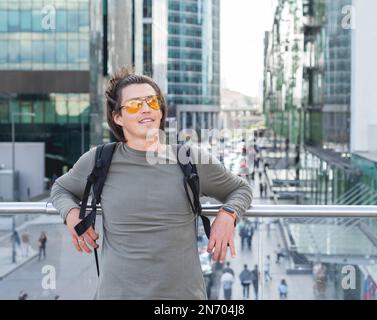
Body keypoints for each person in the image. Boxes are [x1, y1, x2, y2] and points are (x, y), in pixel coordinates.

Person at [50, 66, 253, 300]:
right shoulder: (98, 161)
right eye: (135, 104)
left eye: (152, 102)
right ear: (117, 117)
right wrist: (72, 213)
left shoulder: (189, 158)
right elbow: (61, 188)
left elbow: (241, 188)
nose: (146, 109)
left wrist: (228, 213)